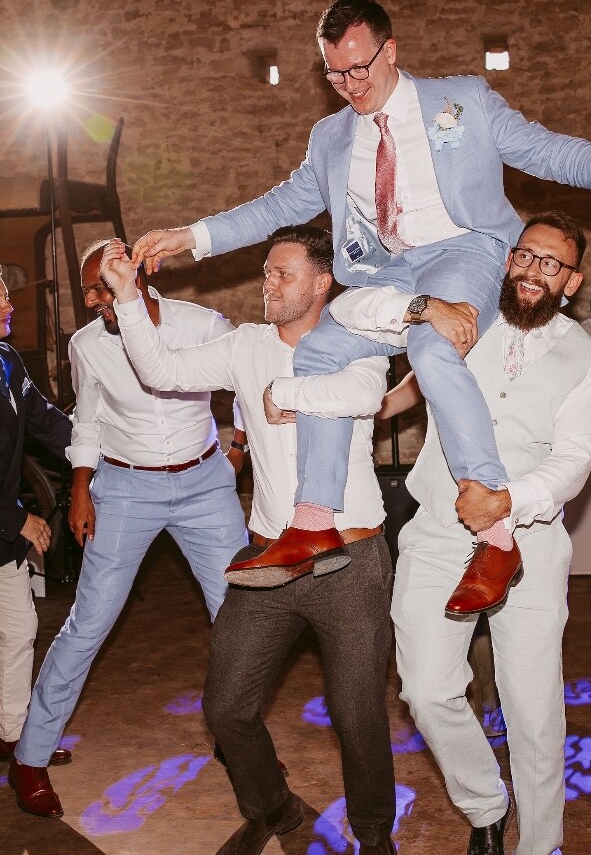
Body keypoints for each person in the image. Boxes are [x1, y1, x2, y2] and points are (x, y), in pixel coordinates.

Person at [131, 0, 591, 604]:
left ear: (391, 51)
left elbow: (547, 151)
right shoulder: (329, 137)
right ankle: (312, 523)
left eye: (361, 69)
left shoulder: (461, 101)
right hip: (384, 269)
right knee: (319, 352)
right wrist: (192, 236)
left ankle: (496, 531)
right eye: (335, 74)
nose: (350, 86)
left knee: (434, 350)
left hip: (467, 251)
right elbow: (278, 206)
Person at [101, 226, 397, 855]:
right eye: (266, 272)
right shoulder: (246, 345)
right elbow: (160, 369)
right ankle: (273, 807)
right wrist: (128, 294)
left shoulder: (358, 341)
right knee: (227, 706)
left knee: (358, 715)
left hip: (350, 557)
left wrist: (287, 396)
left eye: (283, 274)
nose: (269, 283)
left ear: (322, 283)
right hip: (268, 557)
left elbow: (364, 393)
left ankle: (373, 836)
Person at [352, 212, 591, 855]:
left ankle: (539, 844)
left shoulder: (584, 359)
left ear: (570, 281)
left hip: (532, 539)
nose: (530, 271)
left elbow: (574, 461)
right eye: (524, 256)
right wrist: (350, 410)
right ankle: (484, 805)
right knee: (427, 688)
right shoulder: (467, 320)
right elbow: (410, 377)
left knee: (532, 707)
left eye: (549, 264)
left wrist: (506, 500)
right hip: (439, 531)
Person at [9, 240, 248, 818]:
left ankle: (244, 746)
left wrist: (237, 451)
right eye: (89, 290)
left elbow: (246, 381)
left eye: (100, 286)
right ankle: (30, 756)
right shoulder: (87, 344)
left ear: (133, 278)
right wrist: (83, 487)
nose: (92, 300)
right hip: (125, 488)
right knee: (87, 624)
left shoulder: (200, 323)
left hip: (204, 486)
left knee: (243, 619)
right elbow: (86, 418)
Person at [0, 267, 72, 768]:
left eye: (5, 295)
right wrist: (17, 518)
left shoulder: (8, 362)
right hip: (5, 521)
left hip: (2, 536)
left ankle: (12, 733)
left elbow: (49, 423)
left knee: (20, 628)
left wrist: (107, 452)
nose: (8, 305)